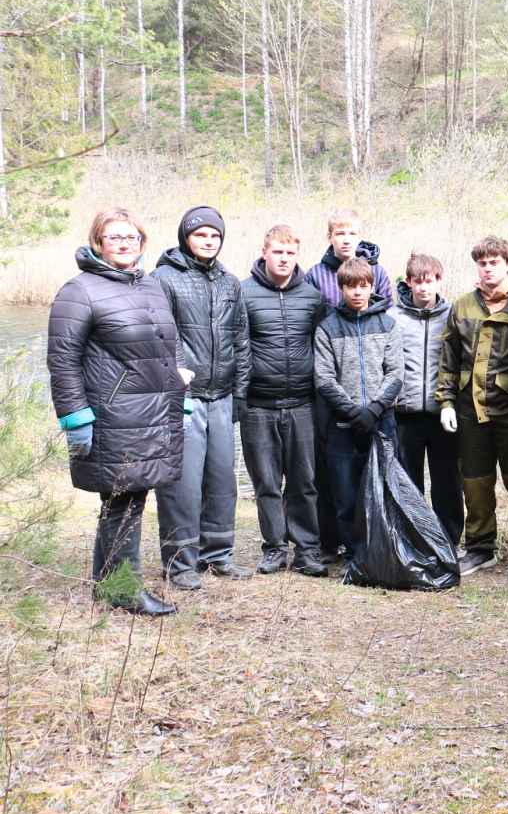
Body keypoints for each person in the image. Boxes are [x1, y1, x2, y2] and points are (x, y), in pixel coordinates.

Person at [47, 209, 184, 616]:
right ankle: (124, 590)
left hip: (153, 412)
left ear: (142, 242)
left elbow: (170, 347)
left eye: (131, 237)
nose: (124, 243)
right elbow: (63, 361)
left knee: (129, 499)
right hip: (113, 417)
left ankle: (109, 586)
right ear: (98, 243)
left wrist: (182, 393)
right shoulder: (79, 291)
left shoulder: (152, 286)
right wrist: (75, 417)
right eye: (114, 237)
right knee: (121, 500)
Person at [152, 205, 251, 588]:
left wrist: (240, 391)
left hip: (222, 395)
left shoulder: (229, 282)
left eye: (215, 236)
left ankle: (218, 554)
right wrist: (177, 383)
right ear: (185, 237)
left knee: (223, 480)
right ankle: (180, 563)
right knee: (183, 485)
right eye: (201, 235)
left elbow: (241, 339)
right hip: (184, 398)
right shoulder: (164, 279)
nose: (208, 241)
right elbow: (163, 336)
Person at [436, 236, 508, 577]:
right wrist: (446, 401)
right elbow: (449, 359)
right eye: (482, 263)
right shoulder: (463, 306)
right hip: (471, 410)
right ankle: (480, 548)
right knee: (475, 482)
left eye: (494, 262)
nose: (487, 269)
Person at [240, 225, 328, 577]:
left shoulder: (312, 296)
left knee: (305, 482)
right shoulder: (243, 293)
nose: (284, 259)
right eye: (277, 252)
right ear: (265, 252)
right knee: (267, 482)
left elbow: (320, 346)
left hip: (302, 404)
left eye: (290, 253)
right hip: (258, 405)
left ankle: (307, 549)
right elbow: (238, 347)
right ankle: (275, 547)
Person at [313, 258, 402, 572]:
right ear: (341, 288)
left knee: (384, 490)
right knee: (346, 495)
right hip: (343, 426)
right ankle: (355, 556)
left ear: (372, 286)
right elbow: (324, 378)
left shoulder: (388, 324)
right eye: (351, 286)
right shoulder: (327, 328)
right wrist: (353, 412)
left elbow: (395, 373)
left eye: (363, 286)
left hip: (382, 422)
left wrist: (375, 409)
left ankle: (387, 551)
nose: (357, 292)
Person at [393, 253, 464, 547]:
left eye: (429, 281)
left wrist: (453, 402)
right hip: (405, 413)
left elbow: (459, 360)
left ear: (439, 280)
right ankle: (413, 538)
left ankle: (448, 539)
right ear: (409, 282)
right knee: (409, 481)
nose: (424, 288)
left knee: (447, 479)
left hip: (442, 412)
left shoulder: (452, 315)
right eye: (418, 281)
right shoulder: (394, 317)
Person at [306, 208, 394, 308]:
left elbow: (388, 311)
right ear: (330, 237)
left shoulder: (377, 272)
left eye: (352, 234)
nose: (346, 240)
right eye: (340, 234)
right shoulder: (315, 275)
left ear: (360, 237)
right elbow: (308, 313)